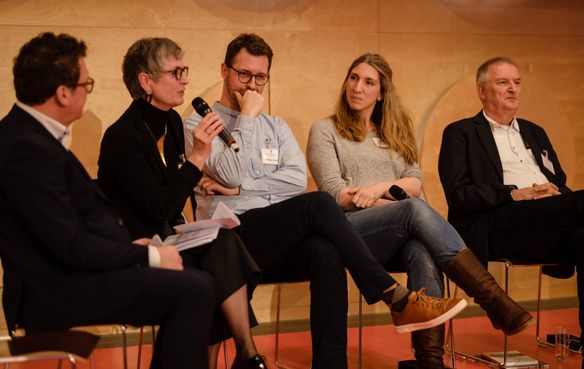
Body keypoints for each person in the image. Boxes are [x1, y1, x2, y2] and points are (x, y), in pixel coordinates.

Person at [184, 33, 467, 369]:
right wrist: (245, 119)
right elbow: (231, 174)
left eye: (261, 77)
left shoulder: (276, 126)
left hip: (274, 236)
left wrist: (240, 189)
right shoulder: (197, 124)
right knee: (319, 203)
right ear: (224, 70)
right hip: (231, 239)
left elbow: (293, 180)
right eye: (244, 74)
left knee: (326, 251)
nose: (252, 85)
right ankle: (392, 294)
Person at [0, 32, 216, 369]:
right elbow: (68, 242)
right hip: (53, 290)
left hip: (69, 275)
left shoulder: (30, 135)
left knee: (199, 278)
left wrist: (133, 246)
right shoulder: (26, 147)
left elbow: (73, 226)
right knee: (195, 288)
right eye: (86, 85)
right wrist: (145, 255)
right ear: (63, 93)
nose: (88, 92)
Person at [306, 53, 535, 368]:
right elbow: (335, 194)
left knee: (422, 248)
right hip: (349, 232)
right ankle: (492, 298)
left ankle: (430, 361)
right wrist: (390, 200)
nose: (357, 88)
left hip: (396, 232)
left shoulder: (396, 132)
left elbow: (414, 183)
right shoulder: (325, 130)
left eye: (368, 82)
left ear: (382, 92)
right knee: (414, 210)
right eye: (354, 78)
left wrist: (378, 189)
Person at [97, 37, 264, 369]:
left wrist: (198, 187)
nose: (185, 79)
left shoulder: (172, 122)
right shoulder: (122, 137)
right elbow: (158, 207)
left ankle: (247, 353)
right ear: (146, 81)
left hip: (170, 237)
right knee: (213, 269)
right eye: (176, 72)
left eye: (184, 70)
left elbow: (172, 196)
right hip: (137, 248)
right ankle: (244, 356)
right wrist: (199, 157)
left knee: (225, 240)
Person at [438, 56, 584, 344]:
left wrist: (553, 193)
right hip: (497, 222)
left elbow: (559, 181)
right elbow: (458, 195)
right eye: (503, 82)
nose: (513, 89)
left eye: (517, 82)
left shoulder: (535, 131)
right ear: (482, 91)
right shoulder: (461, 133)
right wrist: (514, 193)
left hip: (546, 220)